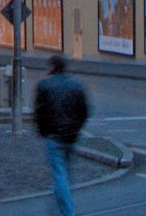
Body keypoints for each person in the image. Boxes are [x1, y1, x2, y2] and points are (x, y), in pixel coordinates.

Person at [34, 54, 89, 216]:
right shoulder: (76, 85)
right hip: (71, 137)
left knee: (59, 176)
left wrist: (43, 131)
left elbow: (39, 112)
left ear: (52, 68)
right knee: (65, 175)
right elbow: (84, 112)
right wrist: (77, 128)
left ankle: (68, 212)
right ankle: (55, 210)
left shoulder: (44, 85)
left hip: (53, 137)